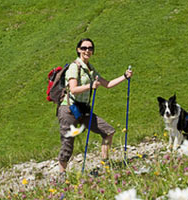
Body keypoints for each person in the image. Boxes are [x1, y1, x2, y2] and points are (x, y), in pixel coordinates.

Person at [57, 38, 133, 174]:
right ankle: (61, 174)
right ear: (78, 50)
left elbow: (107, 84)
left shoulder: (91, 69)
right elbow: (73, 89)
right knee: (68, 144)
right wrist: (90, 86)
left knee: (108, 131)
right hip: (69, 109)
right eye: (84, 48)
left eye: (90, 48)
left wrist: (124, 77)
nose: (87, 51)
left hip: (83, 110)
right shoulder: (75, 67)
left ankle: (105, 163)